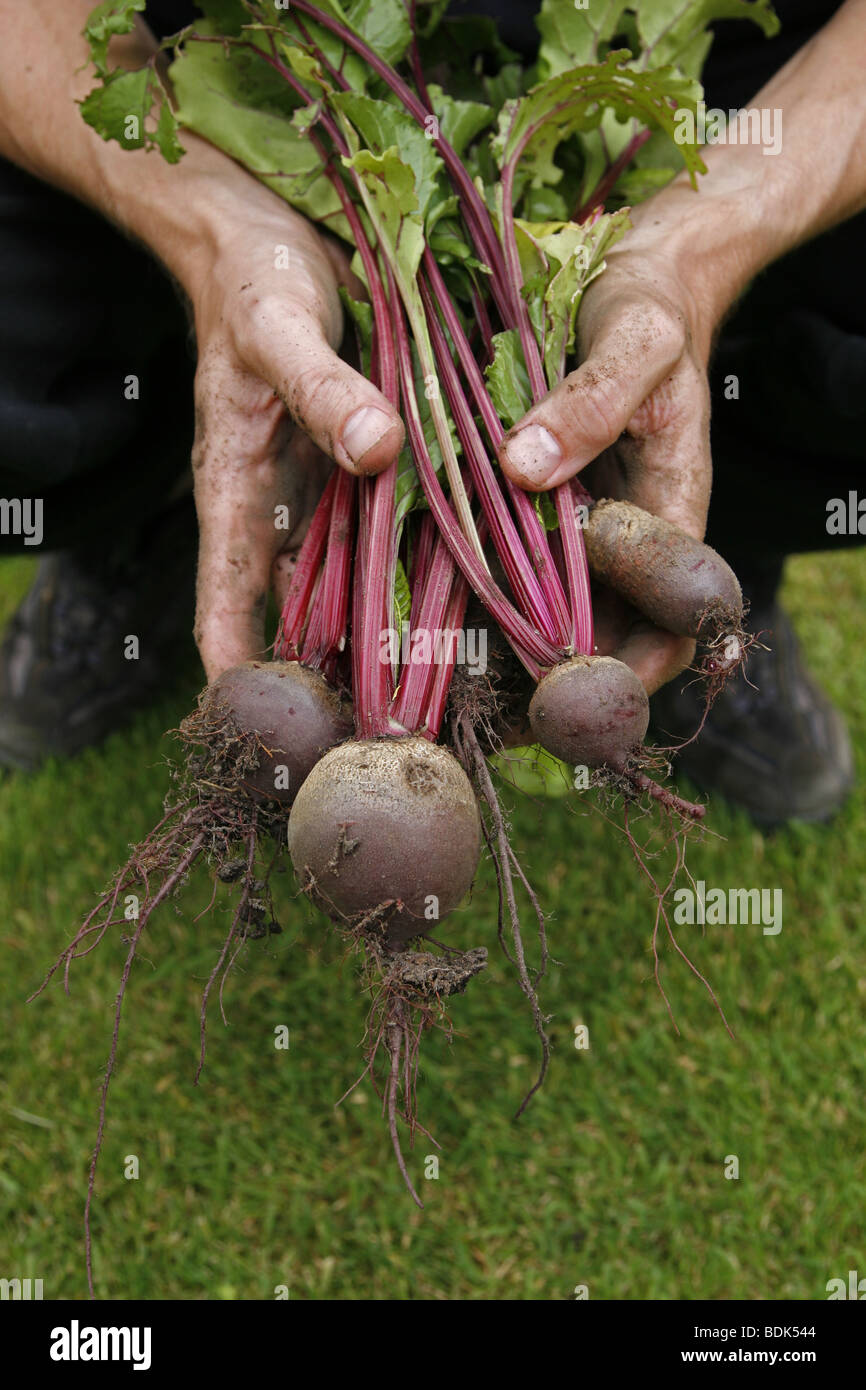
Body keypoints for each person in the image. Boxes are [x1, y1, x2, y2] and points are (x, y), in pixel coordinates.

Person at [0, 0, 863, 826]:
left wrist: (690, 257)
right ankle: (133, 540)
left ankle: (713, 575)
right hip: (227, 105)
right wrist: (219, 233)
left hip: (740, 96)